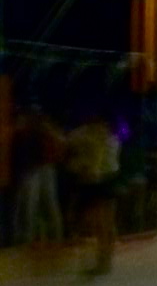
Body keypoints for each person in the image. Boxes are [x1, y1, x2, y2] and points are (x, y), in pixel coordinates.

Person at [64, 111, 120, 276]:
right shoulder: (111, 139)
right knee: (104, 223)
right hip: (105, 181)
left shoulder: (87, 136)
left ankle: (101, 260)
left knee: (99, 223)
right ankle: (103, 260)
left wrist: (80, 167)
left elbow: (84, 158)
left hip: (97, 182)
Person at [12, 106, 64, 246]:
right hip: (44, 167)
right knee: (47, 208)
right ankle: (55, 242)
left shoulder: (25, 128)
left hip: (31, 168)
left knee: (28, 210)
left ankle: (25, 244)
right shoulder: (45, 128)